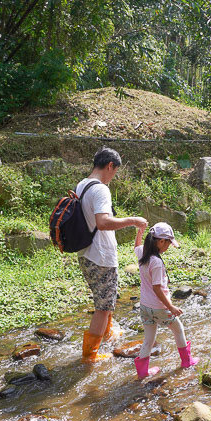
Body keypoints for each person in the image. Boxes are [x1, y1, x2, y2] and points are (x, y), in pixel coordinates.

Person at [74, 148, 148, 361]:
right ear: (110, 166)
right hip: (100, 256)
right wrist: (133, 221)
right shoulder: (101, 190)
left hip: (86, 252)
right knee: (103, 306)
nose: (113, 176)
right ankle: (91, 355)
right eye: (115, 171)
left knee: (105, 298)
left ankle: (107, 333)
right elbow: (103, 222)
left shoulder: (82, 184)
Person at [133, 223, 197, 379]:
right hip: (159, 307)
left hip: (145, 307)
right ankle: (187, 361)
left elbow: (137, 245)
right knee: (178, 330)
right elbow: (157, 289)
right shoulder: (156, 263)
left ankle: (143, 373)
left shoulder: (143, 253)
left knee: (148, 339)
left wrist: (139, 232)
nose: (169, 246)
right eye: (168, 242)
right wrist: (171, 307)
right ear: (160, 242)